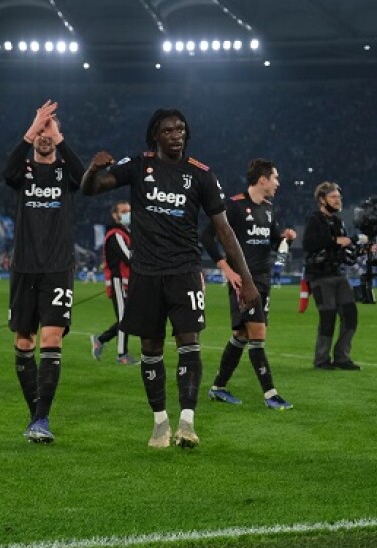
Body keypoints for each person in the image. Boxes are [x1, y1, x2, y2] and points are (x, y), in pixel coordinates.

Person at [82, 108, 260, 449]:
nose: (176, 134)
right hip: (146, 274)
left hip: (184, 272)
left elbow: (223, 229)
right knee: (150, 348)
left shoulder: (201, 175)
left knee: (188, 342)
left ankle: (187, 423)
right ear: (155, 136)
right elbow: (90, 189)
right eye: (168, 130)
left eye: (181, 129)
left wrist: (246, 279)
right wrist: (93, 169)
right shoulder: (138, 166)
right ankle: (160, 422)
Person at [2, 100, 85, 443]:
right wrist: (32, 126)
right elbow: (7, 173)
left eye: (49, 131)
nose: (44, 137)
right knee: (24, 342)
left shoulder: (66, 173)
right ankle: (36, 413)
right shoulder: (23, 171)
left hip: (57, 268)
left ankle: (42, 419)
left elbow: (86, 178)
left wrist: (59, 135)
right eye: (40, 132)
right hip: (24, 269)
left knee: (51, 339)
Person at [200, 158, 297, 409]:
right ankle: (270, 394)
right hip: (243, 282)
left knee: (241, 335)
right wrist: (226, 269)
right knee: (258, 334)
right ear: (262, 179)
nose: (277, 182)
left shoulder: (268, 208)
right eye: (275, 177)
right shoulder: (232, 206)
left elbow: (274, 242)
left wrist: (285, 238)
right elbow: (206, 236)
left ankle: (218, 387)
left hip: (263, 281)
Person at [302, 181, 363, 371]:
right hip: (320, 276)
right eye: (333, 197)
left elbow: (345, 249)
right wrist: (338, 241)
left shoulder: (337, 221)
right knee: (327, 316)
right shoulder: (314, 219)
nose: (338, 200)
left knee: (350, 314)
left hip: (338, 273)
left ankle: (342, 357)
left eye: (339, 197)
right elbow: (309, 243)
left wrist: (360, 248)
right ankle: (321, 360)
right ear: (322, 199)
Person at [90, 200, 139, 365]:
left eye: (129, 210)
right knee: (125, 319)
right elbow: (129, 257)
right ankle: (122, 355)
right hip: (118, 280)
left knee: (128, 318)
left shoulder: (127, 232)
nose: (127, 214)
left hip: (126, 281)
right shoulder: (116, 234)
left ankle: (101, 340)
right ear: (115, 215)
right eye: (124, 211)